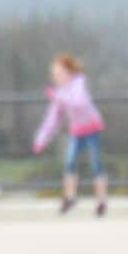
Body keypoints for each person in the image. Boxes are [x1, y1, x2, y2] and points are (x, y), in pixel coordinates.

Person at [32, 53, 108, 216]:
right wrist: (41, 139)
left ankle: (101, 201)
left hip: (92, 128)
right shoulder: (60, 93)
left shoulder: (79, 82)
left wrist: (59, 96)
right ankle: (70, 197)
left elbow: (79, 103)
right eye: (54, 75)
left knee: (96, 165)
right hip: (77, 130)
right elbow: (52, 119)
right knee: (69, 164)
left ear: (69, 72)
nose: (56, 77)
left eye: (59, 73)